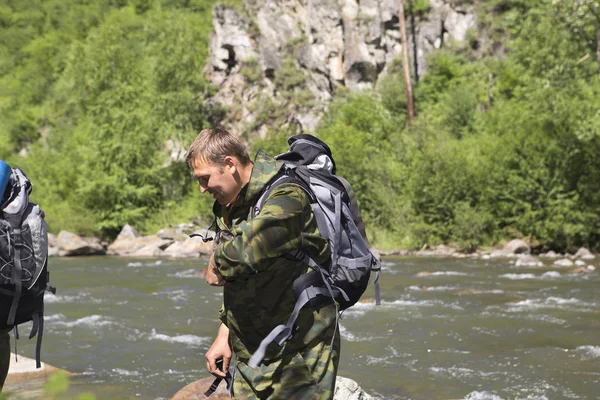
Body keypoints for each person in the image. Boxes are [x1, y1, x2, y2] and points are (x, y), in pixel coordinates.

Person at [186, 128, 340, 399]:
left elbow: (245, 251)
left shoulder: (288, 196)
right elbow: (243, 276)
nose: (202, 189)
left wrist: (214, 262)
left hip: (298, 352)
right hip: (252, 349)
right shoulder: (235, 203)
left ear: (230, 164)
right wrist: (225, 334)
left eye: (205, 178)